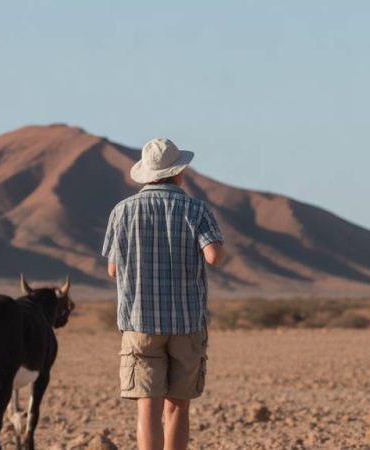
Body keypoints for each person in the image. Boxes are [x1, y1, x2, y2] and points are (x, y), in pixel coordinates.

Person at [101, 137, 224, 450]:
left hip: (139, 321)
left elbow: (113, 270)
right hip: (187, 322)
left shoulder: (122, 211)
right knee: (178, 406)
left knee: (148, 406)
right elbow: (213, 256)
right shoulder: (196, 209)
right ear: (179, 173)